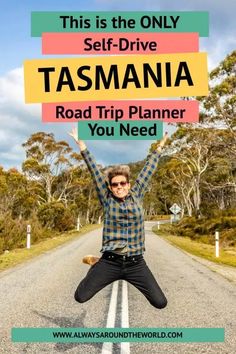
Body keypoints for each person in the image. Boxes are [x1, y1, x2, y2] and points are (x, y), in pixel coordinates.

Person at [69, 127, 168, 309]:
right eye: (115, 184)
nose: (119, 186)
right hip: (110, 261)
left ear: (129, 185)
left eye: (123, 183)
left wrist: (160, 147)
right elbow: (93, 169)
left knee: (160, 303)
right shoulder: (107, 198)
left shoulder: (137, 193)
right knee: (80, 297)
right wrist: (81, 144)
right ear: (111, 187)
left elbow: (149, 169)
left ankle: (97, 264)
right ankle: (95, 264)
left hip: (136, 263)